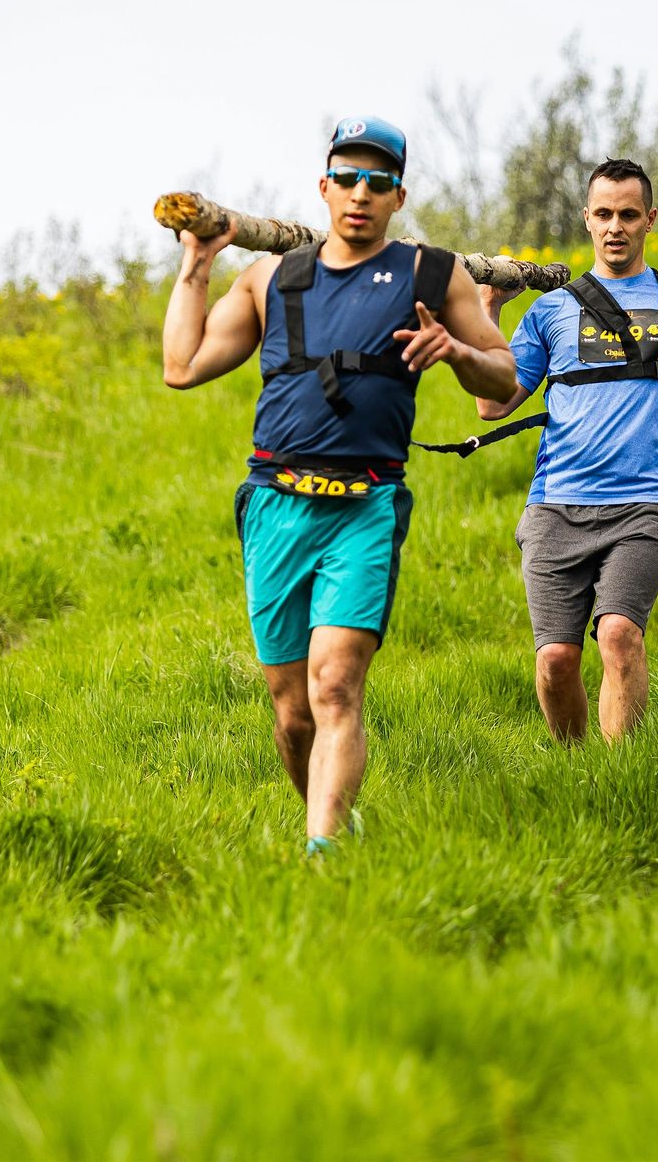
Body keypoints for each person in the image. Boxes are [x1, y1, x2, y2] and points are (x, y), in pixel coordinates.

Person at [163, 116, 516, 854]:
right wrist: (196, 265)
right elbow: (183, 365)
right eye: (348, 179)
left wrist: (453, 349)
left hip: (365, 508)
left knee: (334, 686)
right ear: (323, 188)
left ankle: (321, 856)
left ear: (398, 196)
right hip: (275, 508)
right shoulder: (272, 277)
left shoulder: (431, 273)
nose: (361, 193)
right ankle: (336, 818)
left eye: (378, 182)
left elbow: (506, 378)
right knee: (292, 711)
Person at [476, 157, 658, 744]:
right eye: (603, 214)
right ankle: (581, 772)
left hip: (645, 505)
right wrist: (489, 310)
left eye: (629, 214)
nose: (615, 227)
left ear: (650, 219)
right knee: (555, 661)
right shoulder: (551, 309)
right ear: (586, 219)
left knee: (619, 634)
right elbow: (493, 404)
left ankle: (621, 770)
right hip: (555, 507)